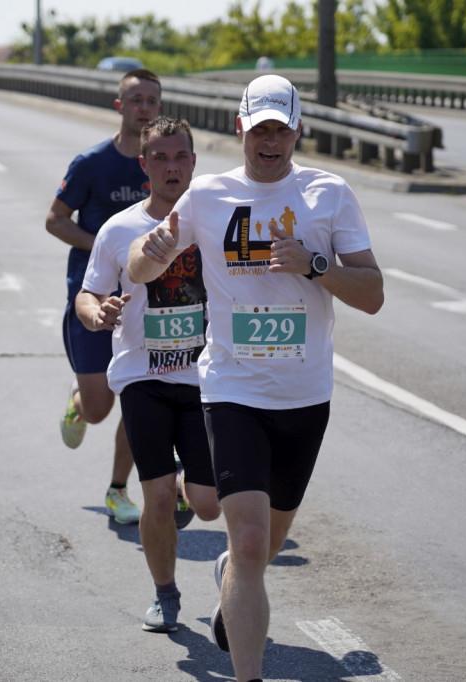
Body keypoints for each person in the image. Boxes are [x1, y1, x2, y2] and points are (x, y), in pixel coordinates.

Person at [127, 74, 384, 681]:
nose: (270, 140)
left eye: (281, 128)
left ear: (298, 130)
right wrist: (156, 251)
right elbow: (138, 267)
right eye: (259, 128)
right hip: (232, 389)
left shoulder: (329, 193)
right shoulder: (208, 196)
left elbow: (372, 295)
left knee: (260, 550)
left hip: (304, 395)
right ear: (240, 128)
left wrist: (316, 264)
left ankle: (230, 584)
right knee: (247, 541)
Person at [76, 116, 221, 633]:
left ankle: (189, 490)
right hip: (143, 376)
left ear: (194, 163)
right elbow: (88, 292)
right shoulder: (120, 229)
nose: (171, 166)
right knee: (154, 496)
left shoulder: (217, 222)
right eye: (159, 157)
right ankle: (165, 595)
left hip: (207, 380)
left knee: (207, 506)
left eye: (180, 156)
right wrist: (97, 314)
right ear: (144, 166)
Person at [45, 68, 161, 525]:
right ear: (120, 106)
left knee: (139, 399)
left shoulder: (165, 164)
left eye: (152, 100)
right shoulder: (92, 163)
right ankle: (78, 400)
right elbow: (55, 220)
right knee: (98, 410)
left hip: (147, 307)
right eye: (136, 100)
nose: (144, 108)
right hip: (92, 302)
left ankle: (118, 490)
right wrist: (107, 246)